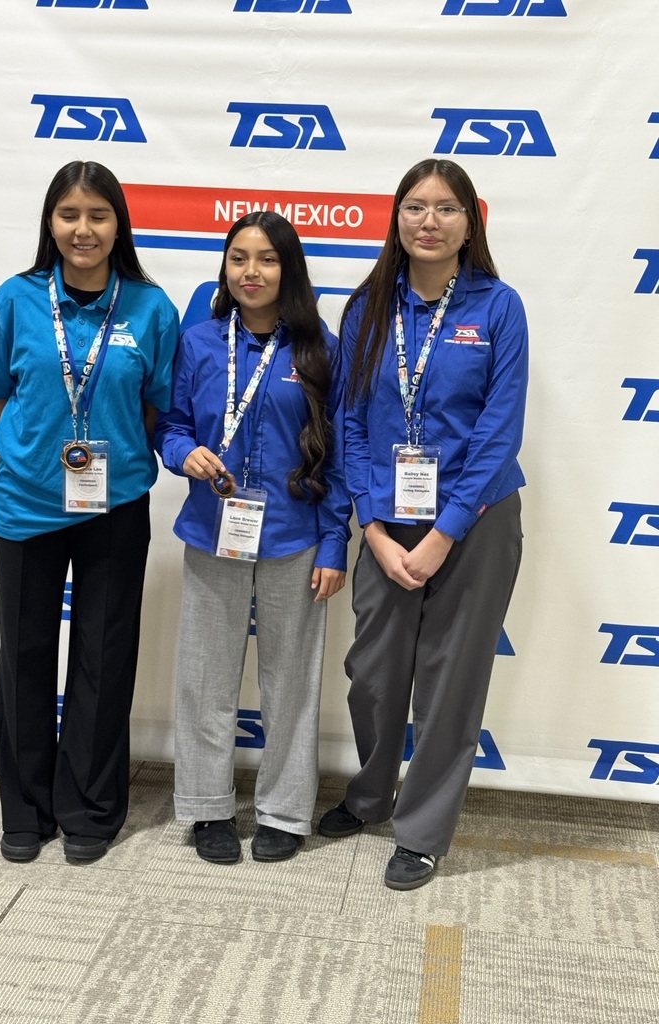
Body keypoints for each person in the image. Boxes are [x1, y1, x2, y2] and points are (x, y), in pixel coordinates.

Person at [318, 159, 527, 890]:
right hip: (386, 520)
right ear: (396, 219)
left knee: (449, 682)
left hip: (476, 522)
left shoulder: (498, 308)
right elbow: (347, 422)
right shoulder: (368, 308)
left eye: (446, 208)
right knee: (372, 674)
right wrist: (372, 528)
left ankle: (423, 830)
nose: (429, 220)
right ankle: (371, 794)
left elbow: (499, 433)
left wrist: (445, 535)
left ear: (471, 221)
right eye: (415, 206)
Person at [0, 160, 179, 864]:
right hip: (27, 502)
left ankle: (88, 805)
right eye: (69, 215)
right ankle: (25, 806)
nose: (82, 229)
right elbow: (1, 397)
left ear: (119, 224)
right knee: (25, 654)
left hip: (114, 504)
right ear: (50, 223)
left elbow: (153, 409)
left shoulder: (150, 308)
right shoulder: (16, 299)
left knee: (102, 655)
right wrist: (35, 454)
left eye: (98, 215)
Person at [156, 211, 351, 864]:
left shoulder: (318, 347)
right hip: (214, 532)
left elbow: (339, 455)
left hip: (295, 538)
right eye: (238, 257)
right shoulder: (201, 341)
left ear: (288, 269)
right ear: (225, 267)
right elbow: (172, 425)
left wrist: (333, 545)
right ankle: (208, 808)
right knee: (206, 678)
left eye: (266, 259)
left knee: (290, 681)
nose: (251, 271)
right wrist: (185, 454)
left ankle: (284, 811)